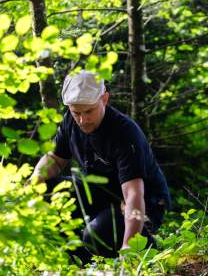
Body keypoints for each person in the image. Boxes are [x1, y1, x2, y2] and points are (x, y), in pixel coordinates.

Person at [30, 70, 170, 262]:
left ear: (104, 99)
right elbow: (55, 159)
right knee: (45, 191)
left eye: (88, 111)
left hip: (144, 202)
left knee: (95, 235)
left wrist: (129, 245)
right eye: (76, 112)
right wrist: (33, 182)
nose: (82, 120)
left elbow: (133, 194)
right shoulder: (70, 121)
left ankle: (146, 245)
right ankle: (81, 263)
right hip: (101, 193)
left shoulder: (124, 133)